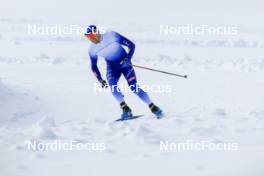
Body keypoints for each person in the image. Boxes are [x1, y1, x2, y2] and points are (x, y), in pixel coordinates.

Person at [85, 25, 162, 120]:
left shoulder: (111, 35)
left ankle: (153, 107)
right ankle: (125, 109)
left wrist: (127, 59)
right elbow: (93, 66)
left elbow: (131, 45)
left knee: (134, 87)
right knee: (112, 86)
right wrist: (100, 79)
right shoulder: (92, 49)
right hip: (112, 68)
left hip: (125, 65)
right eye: (88, 37)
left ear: (97, 32)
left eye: (91, 36)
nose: (90, 39)